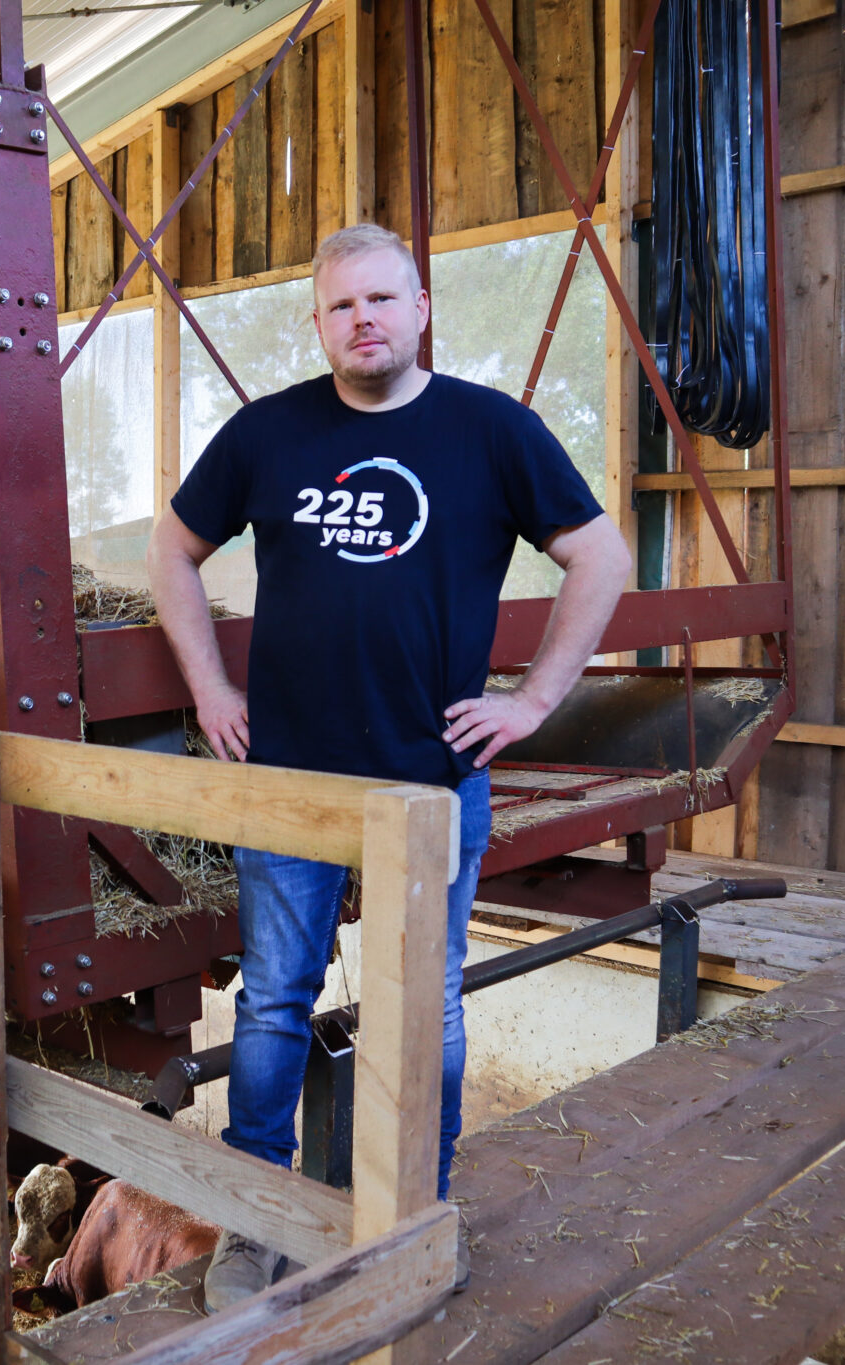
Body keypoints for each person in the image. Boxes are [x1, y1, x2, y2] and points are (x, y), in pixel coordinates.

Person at [146, 223, 632, 1312]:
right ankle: (255, 1218)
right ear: (315, 324)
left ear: (418, 308)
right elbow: (171, 551)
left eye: (380, 300)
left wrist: (535, 698)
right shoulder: (266, 435)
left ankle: (419, 1207)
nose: (361, 320)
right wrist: (211, 690)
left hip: (429, 775)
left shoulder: (488, 431)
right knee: (273, 1000)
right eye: (339, 307)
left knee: (430, 1007)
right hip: (289, 779)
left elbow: (597, 554)